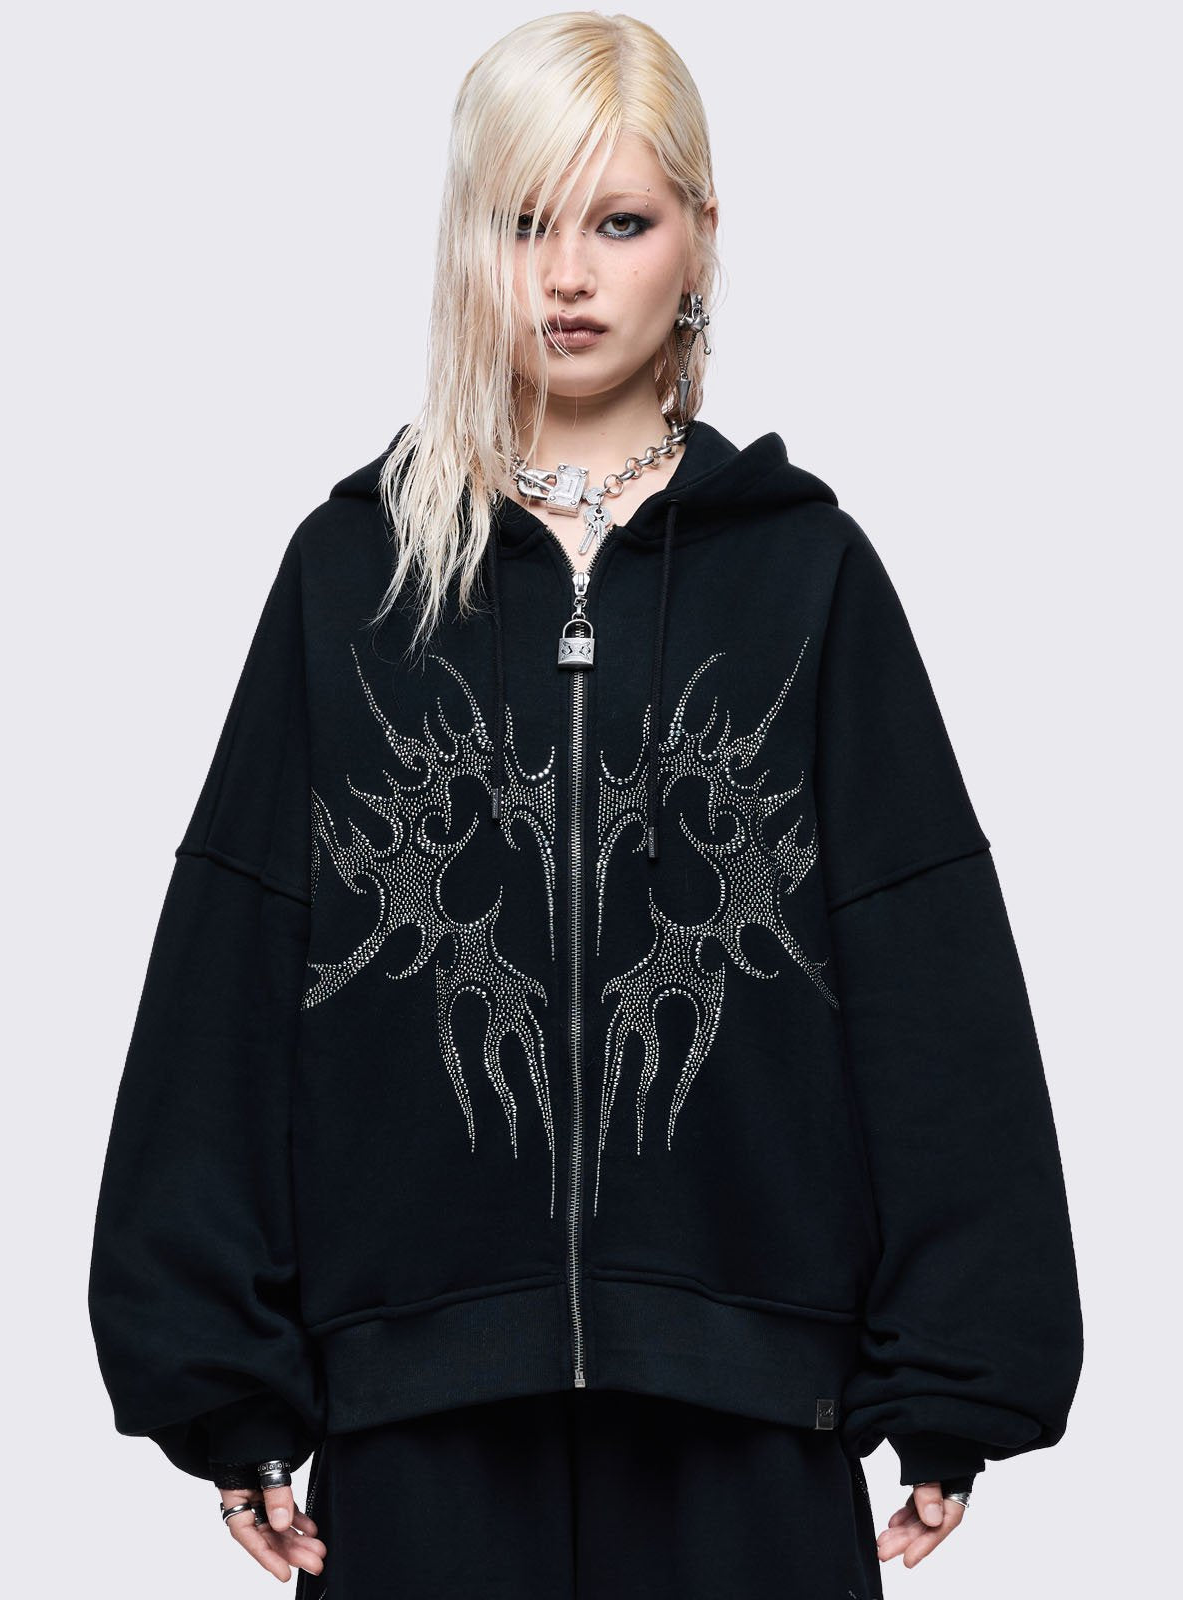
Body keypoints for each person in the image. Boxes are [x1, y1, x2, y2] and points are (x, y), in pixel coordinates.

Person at [87, 12, 1084, 1596]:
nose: (567, 276)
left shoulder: (806, 576)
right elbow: (235, 963)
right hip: (416, 1432)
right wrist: (221, 1386)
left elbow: (927, 964)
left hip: (745, 1428)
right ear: (464, 239)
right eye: (522, 222)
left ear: (700, 236)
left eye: (619, 223)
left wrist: (963, 1376)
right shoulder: (355, 577)